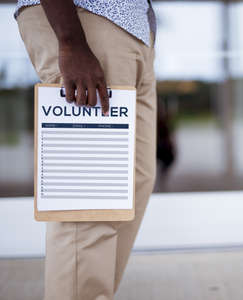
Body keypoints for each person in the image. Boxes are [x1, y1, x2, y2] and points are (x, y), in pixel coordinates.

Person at [15, 1, 157, 299]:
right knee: (89, 206)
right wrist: (71, 42)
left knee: (134, 184)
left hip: (132, 29)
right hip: (85, 21)